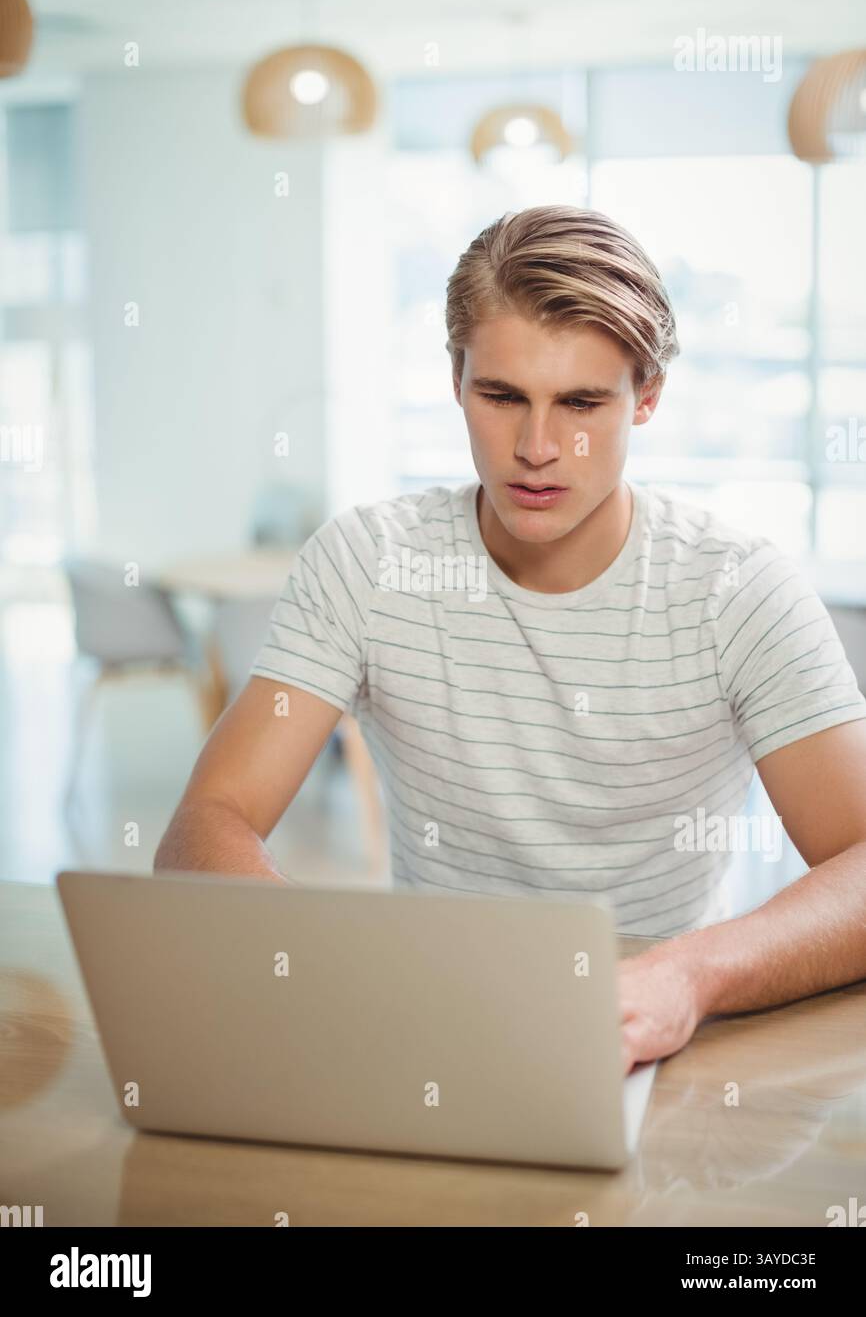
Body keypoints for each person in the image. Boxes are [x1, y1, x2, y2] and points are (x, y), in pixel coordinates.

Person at [154, 205, 866, 1074]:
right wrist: (328, 964)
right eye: (502, 396)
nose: (537, 448)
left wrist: (689, 975)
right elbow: (205, 824)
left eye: (580, 402)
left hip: (661, 1044)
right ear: (455, 379)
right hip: (425, 1031)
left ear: (647, 398)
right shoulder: (367, 561)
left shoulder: (737, 587)